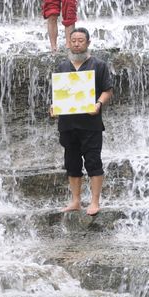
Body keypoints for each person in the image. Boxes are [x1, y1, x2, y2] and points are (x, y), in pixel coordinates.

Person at [53, 28, 113, 216]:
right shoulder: (62, 67)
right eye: (74, 40)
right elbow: (57, 94)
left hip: (90, 123)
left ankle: (94, 202)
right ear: (68, 43)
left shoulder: (99, 65)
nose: (77, 43)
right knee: (71, 163)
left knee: (93, 160)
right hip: (68, 124)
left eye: (81, 40)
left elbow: (107, 90)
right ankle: (76, 201)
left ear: (88, 43)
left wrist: (98, 104)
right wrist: (53, 107)